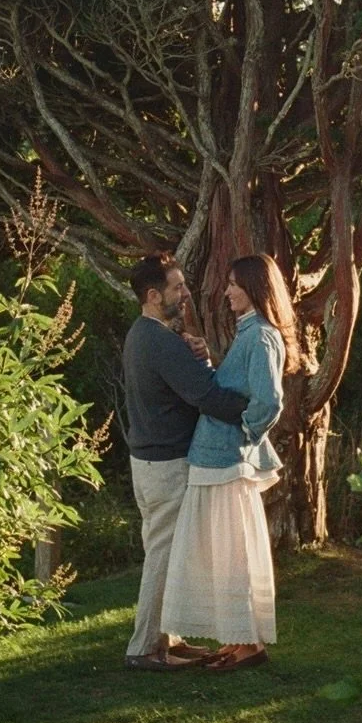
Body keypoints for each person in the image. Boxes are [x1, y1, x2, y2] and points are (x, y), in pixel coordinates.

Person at [160, 253, 299, 673]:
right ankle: (239, 640)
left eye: (234, 284)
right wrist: (208, 359)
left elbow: (269, 400)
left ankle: (248, 645)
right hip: (216, 456)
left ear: (255, 287)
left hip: (225, 458)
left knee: (232, 552)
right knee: (223, 551)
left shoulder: (259, 335)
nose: (226, 292)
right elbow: (237, 382)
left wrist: (244, 434)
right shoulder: (250, 333)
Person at [122, 252, 249, 673]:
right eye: (177, 287)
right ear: (154, 295)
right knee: (162, 555)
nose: (186, 293)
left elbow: (189, 383)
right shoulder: (158, 340)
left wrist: (199, 357)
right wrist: (255, 409)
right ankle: (143, 649)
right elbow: (208, 396)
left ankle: (169, 639)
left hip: (149, 463)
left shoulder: (144, 334)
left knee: (168, 554)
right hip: (166, 465)